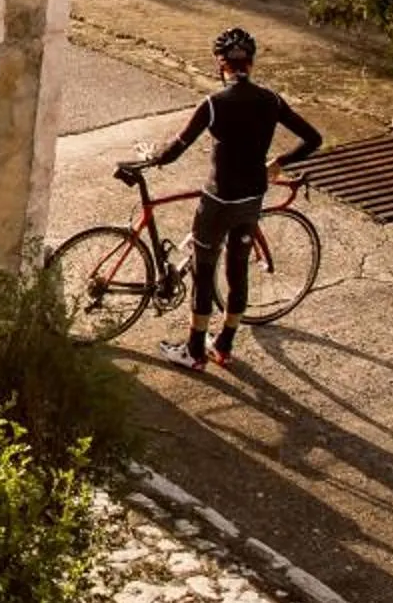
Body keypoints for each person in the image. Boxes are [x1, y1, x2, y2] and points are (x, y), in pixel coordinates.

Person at [118, 26, 320, 368]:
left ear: (220, 65)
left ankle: (194, 351)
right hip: (251, 199)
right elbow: (313, 138)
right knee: (237, 270)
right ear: (251, 64)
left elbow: (174, 152)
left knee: (204, 269)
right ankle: (224, 345)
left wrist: (151, 155)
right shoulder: (270, 100)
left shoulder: (213, 105)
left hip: (218, 201)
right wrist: (279, 163)